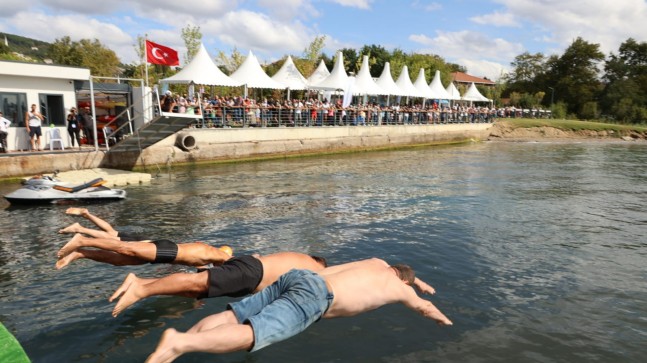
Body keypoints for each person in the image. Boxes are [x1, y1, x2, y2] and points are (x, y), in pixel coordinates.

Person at [145, 258, 453, 363]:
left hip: (298, 276)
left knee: (233, 316)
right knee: (253, 333)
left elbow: (398, 270)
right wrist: (443, 318)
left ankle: (174, 351)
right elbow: (424, 307)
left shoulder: (376, 262)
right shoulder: (400, 288)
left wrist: (421, 282)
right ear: (404, 281)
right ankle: (178, 342)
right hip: (316, 297)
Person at [108, 252, 327, 317]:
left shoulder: (298, 257)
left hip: (250, 273)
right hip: (252, 274)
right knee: (196, 284)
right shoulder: (316, 268)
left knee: (192, 291)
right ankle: (141, 290)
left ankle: (142, 282)